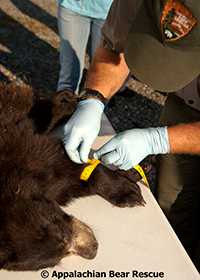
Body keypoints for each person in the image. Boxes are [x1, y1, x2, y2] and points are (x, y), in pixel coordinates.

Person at [62, 0, 200, 269]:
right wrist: (93, 100)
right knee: (172, 205)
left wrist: (157, 139)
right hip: (186, 103)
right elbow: (114, 48)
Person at [57, 0, 113, 93]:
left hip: (109, 12)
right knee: (68, 82)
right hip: (72, 7)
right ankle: (65, 106)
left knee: (100, 79)